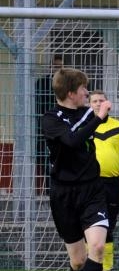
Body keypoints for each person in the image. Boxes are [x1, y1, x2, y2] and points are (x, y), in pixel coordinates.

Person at [42, 68, 112, 271]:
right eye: (84, 88)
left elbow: (96, 119)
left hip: (92, 190)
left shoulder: (87, 112)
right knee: (78, 260)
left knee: (97, 247)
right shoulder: (50, 119)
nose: (88, 92)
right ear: (71, 93)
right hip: (63, 194)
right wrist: (97, 117)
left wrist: (99, 113)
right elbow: (72, 140)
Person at [89, 90, 119, 271]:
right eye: (94, 101)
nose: (98, 103)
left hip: (111, 183)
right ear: (89, 104)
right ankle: (90, 264)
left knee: (109, 222)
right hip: (88, 183)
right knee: (89, 223)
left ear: (108, 103)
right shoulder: (83, 126)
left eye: (102, 100)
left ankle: (106, 267)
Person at [35, 55, 64, 193]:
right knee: (44, 161)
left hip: (62, 130)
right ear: (51, 67)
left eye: (60, 67)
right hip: (42, 130)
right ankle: (49, 191)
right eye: (55, 66)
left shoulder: (67, 85)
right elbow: (36, 105)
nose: (57, 69)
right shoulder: (41, 83)